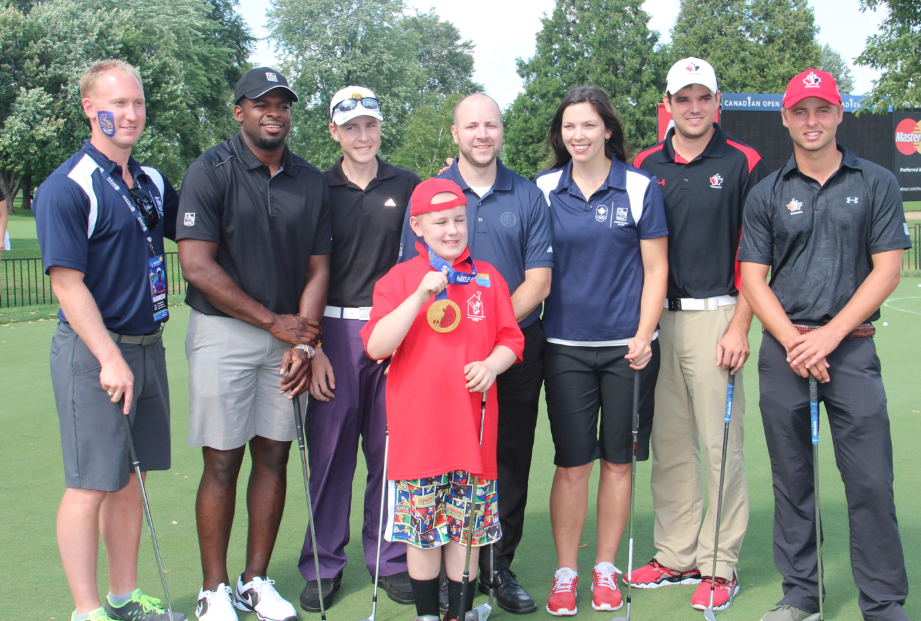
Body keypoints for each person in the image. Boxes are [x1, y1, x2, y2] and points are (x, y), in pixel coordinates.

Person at [739, 69, 912, 621]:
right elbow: (751, 276)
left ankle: (882, 602)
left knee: (868, 479)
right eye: (800, 111)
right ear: (785, 118)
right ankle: (800, 596)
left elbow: (887, 270)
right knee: (791, 480)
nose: (811, 121)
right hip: (785, 353)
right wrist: (794, 341)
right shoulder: (767, 190)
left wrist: (830, 336)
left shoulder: (877, 181)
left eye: (822, 110)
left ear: (839, 114)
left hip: (852, 349)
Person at [176, 67, 330, 621]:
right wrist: (274, 323)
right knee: (222, 460)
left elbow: (319, 268)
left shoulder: (309, 180)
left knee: (274, 455)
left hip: (287, 339)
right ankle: (212, 589)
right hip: (226, 333)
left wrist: (305, 342)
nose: (274, 112)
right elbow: (196, 265)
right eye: (261, 103)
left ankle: (255, 581)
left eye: (283, 104)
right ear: (238, 111)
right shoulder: (209, 170)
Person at [33, 59, 182, 621]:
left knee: (128, 479)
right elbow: (68, 286)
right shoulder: (67, 187)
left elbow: (201, 230)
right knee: (90, 484)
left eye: (137, 103)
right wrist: (109, 356)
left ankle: (123, 600)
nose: (130, 113)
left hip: (147, 346)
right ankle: (87, 610)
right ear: (89, 108)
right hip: (95, 354)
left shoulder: (151, 182)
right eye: (116, 103)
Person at [399, 93, 553, 614]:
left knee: (506, 461)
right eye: (472, 126)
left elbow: (539, 279)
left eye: (491, 125)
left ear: (501, 131)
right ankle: (443, 581)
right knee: (446, 463)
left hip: (508, 353)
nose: (482, 134)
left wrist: (491, 332)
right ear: (455, 132)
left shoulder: (528, 195)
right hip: (444, 363)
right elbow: (414, 279)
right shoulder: (433, 196)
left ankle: (497, 568)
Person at [629, 57, 768, 611]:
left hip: (720, 316)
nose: (693, 108)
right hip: (660, 319)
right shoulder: (645, 162)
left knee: (719, 446)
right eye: (682, 98)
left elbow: (760, 250)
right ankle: (676, 554)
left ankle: (719, 563)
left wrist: (740, 323)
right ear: (668, 103)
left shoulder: (743, 161)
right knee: (669, 446)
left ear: (717, 103)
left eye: (702, 98)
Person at [361, 177, 524, 621]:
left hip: (473, 434)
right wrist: (420, 294)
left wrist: (492, 365)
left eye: (458, 220)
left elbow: (512, 340)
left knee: (466, 536)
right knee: (423, 535)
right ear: (417, 226)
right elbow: (376, 346)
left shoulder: (488, 278)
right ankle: (428, 615)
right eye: (440, 222)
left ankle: (460, 614)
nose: (452, 230)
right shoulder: (399, 280)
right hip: (419, 436)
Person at [534, 85, 669, 616]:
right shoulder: (543, 188)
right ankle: (566, 573)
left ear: (607, 129)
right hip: (564, 347)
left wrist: (643, 333)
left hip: (627, 351)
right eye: (569, 127)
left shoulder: (639, 187)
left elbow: (656, 269)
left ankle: (605, 569)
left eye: (588, 125)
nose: (579, 135)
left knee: (617, 462)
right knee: (572, 465)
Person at [297, 86, 421, 612]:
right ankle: (324, 562)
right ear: (334, 133)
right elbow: (302, 270)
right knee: (329, 456)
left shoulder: (408, 185)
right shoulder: (314, 187)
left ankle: (390, 559)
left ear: (379, 127)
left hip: (391, 331)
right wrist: (311, 345)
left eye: (370, 125)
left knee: (389, 454)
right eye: (351, 128)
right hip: (332, 334)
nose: (362, 136)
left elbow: (418, 263)